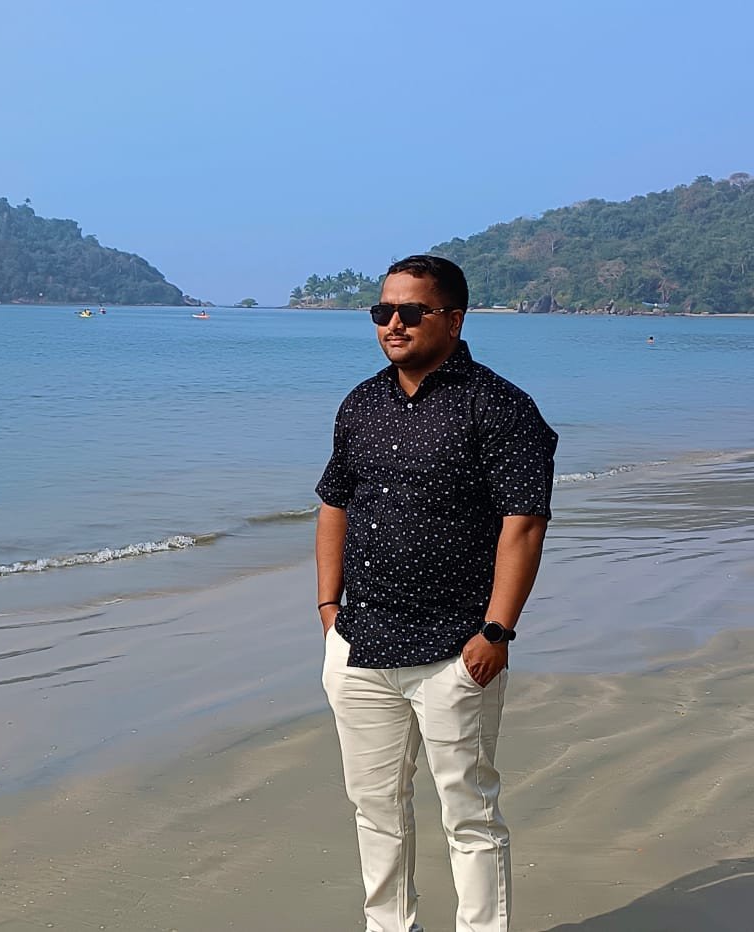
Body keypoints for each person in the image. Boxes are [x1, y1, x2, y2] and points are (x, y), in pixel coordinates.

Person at [315, 255, 557, 932]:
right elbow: (334, 503)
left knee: (469, 814)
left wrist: (496, 631)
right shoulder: (361, 404)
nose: (393, 324)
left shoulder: (499, 406)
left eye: (411, 311)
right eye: (382, 311)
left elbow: (523, 524)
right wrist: (329, 610)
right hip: (361, 643)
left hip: (457, 649)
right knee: (375, 809)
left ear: (453, 320)